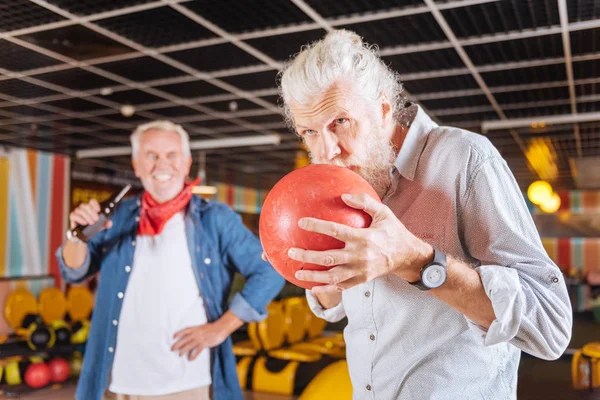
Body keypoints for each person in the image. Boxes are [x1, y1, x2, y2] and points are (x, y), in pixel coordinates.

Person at [275, 29, 572, 399]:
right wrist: (318, 270)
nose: (327, 151)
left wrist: (417, 262)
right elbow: (342, 311)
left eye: (340, 122)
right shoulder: (343, 184)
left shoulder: (466, 159)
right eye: (309, 131)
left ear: (383, 110)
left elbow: (551, 326)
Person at [56, 120, 285, 400]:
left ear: (186, 163)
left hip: (187, 382)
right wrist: (76, 235)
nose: (161, 165)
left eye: (171, 155)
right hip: (117, 381)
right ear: (137, 164)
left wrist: (221, 328)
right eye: (151, 156)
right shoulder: (116, 216)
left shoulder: (215, 219)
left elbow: (270, 270)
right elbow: (74, 272)